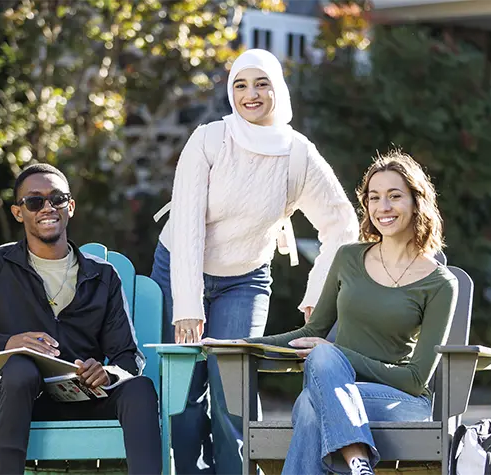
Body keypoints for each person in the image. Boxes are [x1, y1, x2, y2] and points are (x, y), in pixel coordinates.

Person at [150, 48, 358, 474]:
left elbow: (341, 224)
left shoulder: (297, 153)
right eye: (241, 85)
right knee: (182, 391)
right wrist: (188, 305)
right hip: (179, 269)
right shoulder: (209, 139)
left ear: (277, 89)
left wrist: (317, 292)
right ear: (231, 92)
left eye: (261, 83)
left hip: (243, 280)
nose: (251, 94)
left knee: (233, 391)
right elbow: (188, 222)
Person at [228, 151, 459, 475]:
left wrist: (340, 355)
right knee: (316, 387)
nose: (383, 207)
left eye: (395, 196)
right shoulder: (348, 259)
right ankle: (358, 462)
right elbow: (310, 333)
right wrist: (242, 343)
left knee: (311, 400)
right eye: (374, 198)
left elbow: (416, 378)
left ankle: (355, 456)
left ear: (417, 201)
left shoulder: (440, 283)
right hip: (332, 392)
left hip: (398, 402)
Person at [0, 164, 161, 475]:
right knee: (21, 368)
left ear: (71, 207)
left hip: (90, 400)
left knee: (141, 388)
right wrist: (7, 344)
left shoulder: (102, 275)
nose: (48, 208)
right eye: (34, 201)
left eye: (57, 199)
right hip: (27, 403)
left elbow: (128, 357)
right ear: (18, 212)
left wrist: (107, 372)